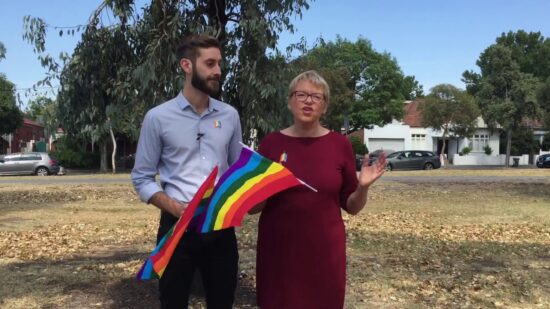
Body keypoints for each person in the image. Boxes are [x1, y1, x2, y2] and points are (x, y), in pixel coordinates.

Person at [251, 70, 387, 309]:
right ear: (290, 101)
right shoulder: (271, 144)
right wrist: (259, 185)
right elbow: (253, 207)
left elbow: (352, 207)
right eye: (301, 94)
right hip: (279, 251)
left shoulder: (339, 144)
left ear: (325, 107)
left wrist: (363, 187)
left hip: (325, 252)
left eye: (317, 97)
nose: (308, 101)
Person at [131, 35, 242, 309]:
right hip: (176, 228)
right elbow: (142, 177)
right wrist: (173, 207)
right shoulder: (158, 117)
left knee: (222, 301)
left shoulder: (230, 116)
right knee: (172, 301)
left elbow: (238, 171)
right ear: (187, 65)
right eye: (210, 63)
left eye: (219, 63)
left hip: (220, 226)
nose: (218, 71)